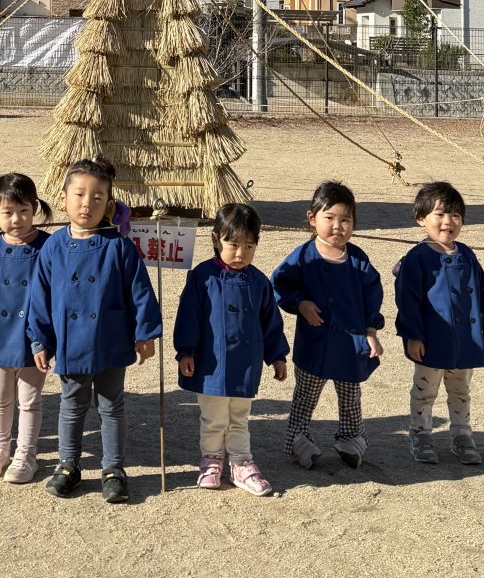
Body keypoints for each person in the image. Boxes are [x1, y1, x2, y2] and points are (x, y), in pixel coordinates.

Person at [28, 156, 162, 504]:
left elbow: (140, 291)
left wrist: (145, 332)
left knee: (111, 405)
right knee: (71, 406)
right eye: (79, 195)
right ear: (63, 198)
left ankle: (114, 469)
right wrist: (39, 338)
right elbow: (39, 297)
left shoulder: (119, 246)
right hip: (71, 344)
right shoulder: (53, 247)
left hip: (110, 340)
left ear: (109, 203)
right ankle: (68, 465)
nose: (87, 203)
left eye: (98, 197)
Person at [174, 203, 289, 495]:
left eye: (249, 246)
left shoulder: (260, 282)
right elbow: (189, 316)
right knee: (214, 418)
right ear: (216, 239)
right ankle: (211, 461)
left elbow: (270, 321)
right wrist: (186, 351)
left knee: (239, 416)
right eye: (233, 244)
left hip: (245, 363)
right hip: (210, 363)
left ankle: (241, 463)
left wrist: (277, 355)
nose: (241, 254)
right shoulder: (202, 277)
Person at [271, 180, 384, 469]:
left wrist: (371, 330)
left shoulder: (358, 259)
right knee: (306, 395)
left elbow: (373, 293)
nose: (338, 226)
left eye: (345, 219)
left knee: (350, 396)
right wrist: (300, 304)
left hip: (351, 343)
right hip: (316, 342)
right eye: (330, 218)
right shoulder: (303, 257)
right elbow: (279, 284)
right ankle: (298, 439)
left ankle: (351, 439)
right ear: (312, 218)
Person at [394, 180, 484, 466]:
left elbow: (483, 290)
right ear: (421, 218)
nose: (447, 222)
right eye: (439, 214)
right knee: (425, 390)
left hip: (466, 339)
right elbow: (407, 301)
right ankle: (420, 434)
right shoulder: (417, 259)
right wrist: (413, 335)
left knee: (460, 390)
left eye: (454, 214)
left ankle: (462, 435)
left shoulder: (467, 255)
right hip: (431, 340)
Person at [0, 172, 52, 484]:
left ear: (35, 209)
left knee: (30, 401)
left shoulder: (48, 245)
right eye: (7, 212)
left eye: (23, 210)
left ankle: (26, 453)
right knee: (0, 399)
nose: (16, 218)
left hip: (34, 340)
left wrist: (46, 339)